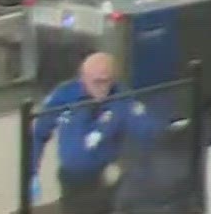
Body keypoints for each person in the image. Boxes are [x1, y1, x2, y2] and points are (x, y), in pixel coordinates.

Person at [31, 54, 163, 214]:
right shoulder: (64, 95)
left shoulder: (121, 97)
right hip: (72, 179)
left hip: (105, 176)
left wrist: (143, 167)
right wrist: (32, 171)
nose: (102, 87)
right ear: (83, 78)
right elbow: (39, 133)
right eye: (96, 81)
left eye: (106, 81)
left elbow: (146, 129)